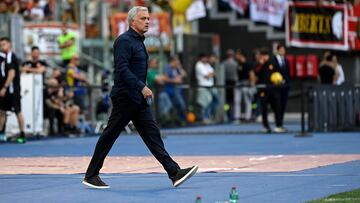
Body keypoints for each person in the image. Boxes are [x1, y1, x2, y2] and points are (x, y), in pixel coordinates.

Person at [82, 6, 198, 189]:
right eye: (143, 18)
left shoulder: (138, 42)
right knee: (110, 135)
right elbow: (122, 69)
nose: (147, 21)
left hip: (137, 99)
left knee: (152, 135)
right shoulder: (124, 41)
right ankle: (91, 175)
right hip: (126, 97)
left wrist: (141, 88)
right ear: (132, 21)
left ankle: (174, 172)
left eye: (148, 18)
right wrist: (141, 86)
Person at [0, 37, 26, 143]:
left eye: (4, 44)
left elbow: (12, 74)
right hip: (3, 90)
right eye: (1, 45)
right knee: (1, 111)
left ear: (9, 44)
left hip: (12, 90)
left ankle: (22, 134)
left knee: (17, 111)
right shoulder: (2, 57)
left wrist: (5, 87)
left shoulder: (11, 56)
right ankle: (1, 134)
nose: (2, 46)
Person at [254, 48, 284, 133]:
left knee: (277, 107)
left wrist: (278, 81)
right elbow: (256, 73)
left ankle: (279, 125)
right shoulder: (259, 64)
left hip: (273, 89)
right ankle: (266, 126)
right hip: (263, 89)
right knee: (264, 108)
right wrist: (260, 64)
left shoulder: (273, 62)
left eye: (262, 55)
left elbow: (278, 73)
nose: (261, 57)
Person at [272, 44, 290, 131]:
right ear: (278, 50)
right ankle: (277, 124)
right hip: (276, 87)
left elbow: (288, 74)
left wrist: (287, 83)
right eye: (282, 49)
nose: (283, 51)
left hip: (284, 87)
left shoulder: (286, 61)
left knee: (283, 105)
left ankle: (281, 124)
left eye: (284, 49)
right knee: (277, 105)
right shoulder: (273, 60)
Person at [163, 55, 187, 123]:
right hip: (171, 89)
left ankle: (180, 120)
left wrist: (179, 67)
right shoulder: (167, 67)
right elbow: (165, 78)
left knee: (179, 105)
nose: (178, 61)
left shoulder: (177, 67)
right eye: (177, 60)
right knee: (180, 104)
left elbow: (184, 74)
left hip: (179, 89)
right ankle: (180, 119)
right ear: (173, 61)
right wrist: (175, 80)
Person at [222, 49, 238, 121]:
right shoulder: (235, 64)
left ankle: (228, 115)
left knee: (227, 101)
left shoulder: (223, 64)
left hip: (226, 84)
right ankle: (231, 115)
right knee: (232, 101)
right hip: (232, 84)